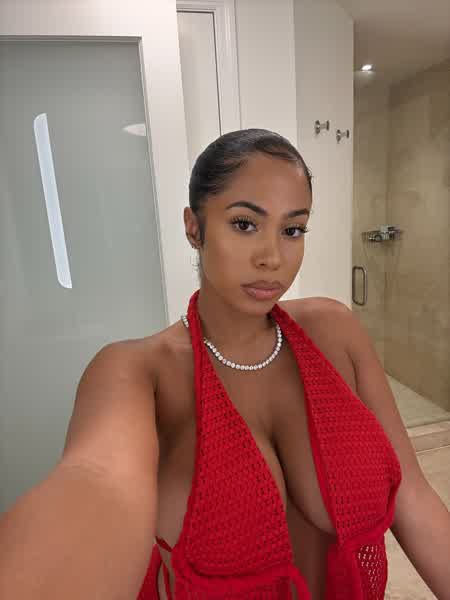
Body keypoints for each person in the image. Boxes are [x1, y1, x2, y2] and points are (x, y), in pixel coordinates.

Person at [0, 129, 449, 600]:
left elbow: (413, 497)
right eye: (244, 224)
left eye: (292, 230)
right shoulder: (137, 373)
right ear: (194, 228)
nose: (272, 258)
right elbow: (93, 486)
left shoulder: (336, 332)